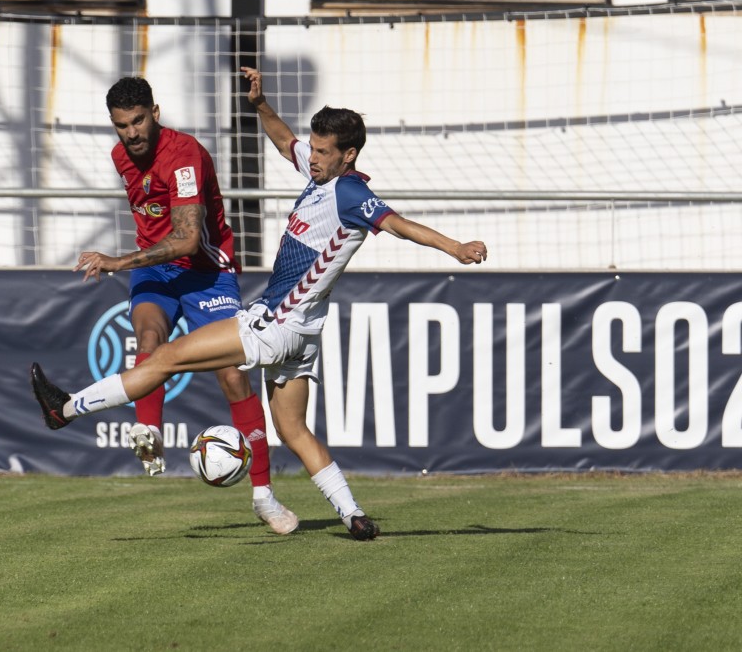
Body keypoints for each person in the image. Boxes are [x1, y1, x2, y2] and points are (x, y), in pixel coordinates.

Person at [33, 66, 488, 540]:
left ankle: (65, 410)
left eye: (322, 151)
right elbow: (283, 140)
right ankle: (354, 515)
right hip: (304, 336)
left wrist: (454, 247)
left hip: (275, 325)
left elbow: (399, 224)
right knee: (293, 430)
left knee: (165, 357)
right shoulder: (321, 175)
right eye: (312, 148)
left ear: (348, 156)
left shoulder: (351, 192)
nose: (310, 157)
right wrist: (261, 107)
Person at [70, 76, 298, 535]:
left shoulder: (184, 155)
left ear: (155, 113)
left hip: (205, 270)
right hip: (156, 271)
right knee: (149, 339)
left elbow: (188, 238)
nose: (131, 134)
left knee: (233, 374)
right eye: (121, 126)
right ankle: (150, 436)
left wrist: (118, 262)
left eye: (138, 121)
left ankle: (264, 497)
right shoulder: (121, 157)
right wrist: (135, 264)